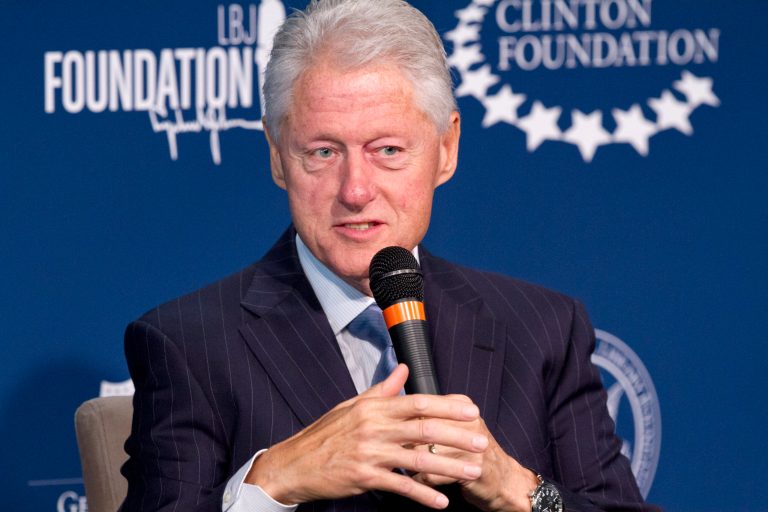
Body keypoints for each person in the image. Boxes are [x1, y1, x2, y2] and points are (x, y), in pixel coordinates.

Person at [120, 1, 659, 511]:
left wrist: (517, 488)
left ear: (446, 149)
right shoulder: (188, 344)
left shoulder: (541, 327)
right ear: (278, 158)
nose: (355, 189)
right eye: (323, 152)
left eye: (388, 150)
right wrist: (273, 479)